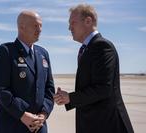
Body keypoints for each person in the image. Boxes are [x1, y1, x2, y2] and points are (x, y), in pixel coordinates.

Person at [53, 3, 134, 133]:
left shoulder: (102, 46)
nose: (69, 28)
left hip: (106, 125)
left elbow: (103, 88)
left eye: (72, 23)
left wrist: (70, 98)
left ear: (88, 21)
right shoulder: (88, 48)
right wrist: (68, 98)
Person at [0, 10, 55, 133]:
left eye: (41, 25)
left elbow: (49, 88)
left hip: (38, 126)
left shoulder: (43, 53)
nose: (40, 29)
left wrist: (44, 113)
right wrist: (22, 114)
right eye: (36, 25)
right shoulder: (6, 51)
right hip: (13, 125)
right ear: (22, 27)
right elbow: (1, 89)